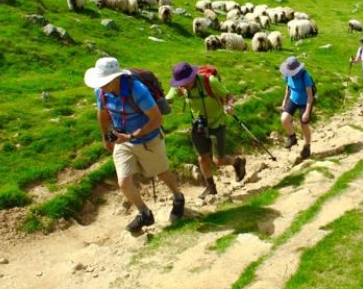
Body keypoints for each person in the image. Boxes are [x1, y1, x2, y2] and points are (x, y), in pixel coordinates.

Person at [84, 57, 185, 232]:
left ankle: (178, 197)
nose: (101, 86)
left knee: (162, 172)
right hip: (122, 140)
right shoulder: (101, 91)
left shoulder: (137, 90)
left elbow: (157, 119)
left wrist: (131, 136)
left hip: (148, 139)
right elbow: (102, 113)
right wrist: (105, 137)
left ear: (116, 78)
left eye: (104, 82)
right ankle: (144, 213)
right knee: (123, 181)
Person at [165, 62, 246, 199]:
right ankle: (211, 187)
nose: (183, 85)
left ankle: (237, 162)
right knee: (202, 157)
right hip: (198, 125)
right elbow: (169, 98)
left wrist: (229, 105)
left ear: (192, 77)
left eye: (185, 82)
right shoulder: (180, 86)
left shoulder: (210, 81)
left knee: (218, 160)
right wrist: (161, 103)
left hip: (217, 123)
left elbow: (229, 96)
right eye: (180, 83)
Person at [279, 56, 314, 159]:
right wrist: (284, 100)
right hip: (293, 99)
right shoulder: (288, 74)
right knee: (284, 119)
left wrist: (307, 112)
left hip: (305, 102)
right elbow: (288, 87)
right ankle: (292, 137)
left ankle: (307, 146)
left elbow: (310, 95)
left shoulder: (304, 75)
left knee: (304, 125)